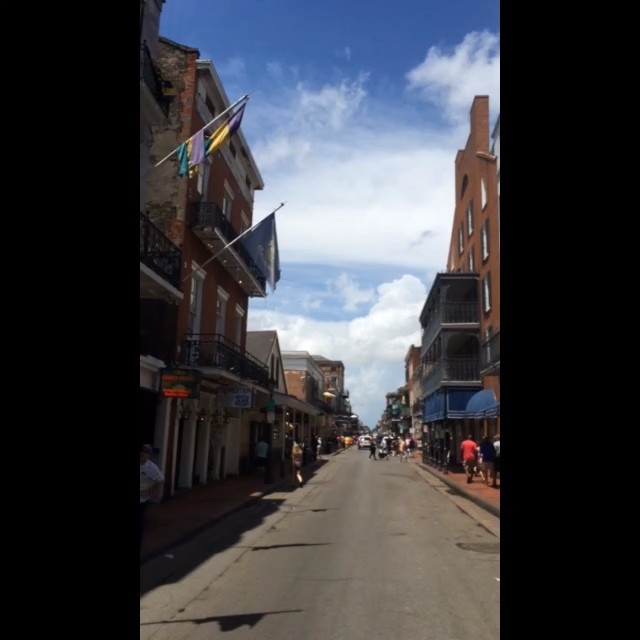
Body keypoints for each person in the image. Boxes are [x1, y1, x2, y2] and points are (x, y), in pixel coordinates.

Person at [140, 444, 164, 554]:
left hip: (142, 499)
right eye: (140, 454)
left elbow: (160, 480)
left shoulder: (151, 467)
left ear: (148, 456)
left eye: (144, 455)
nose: (141, 457)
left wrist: (149, 491)